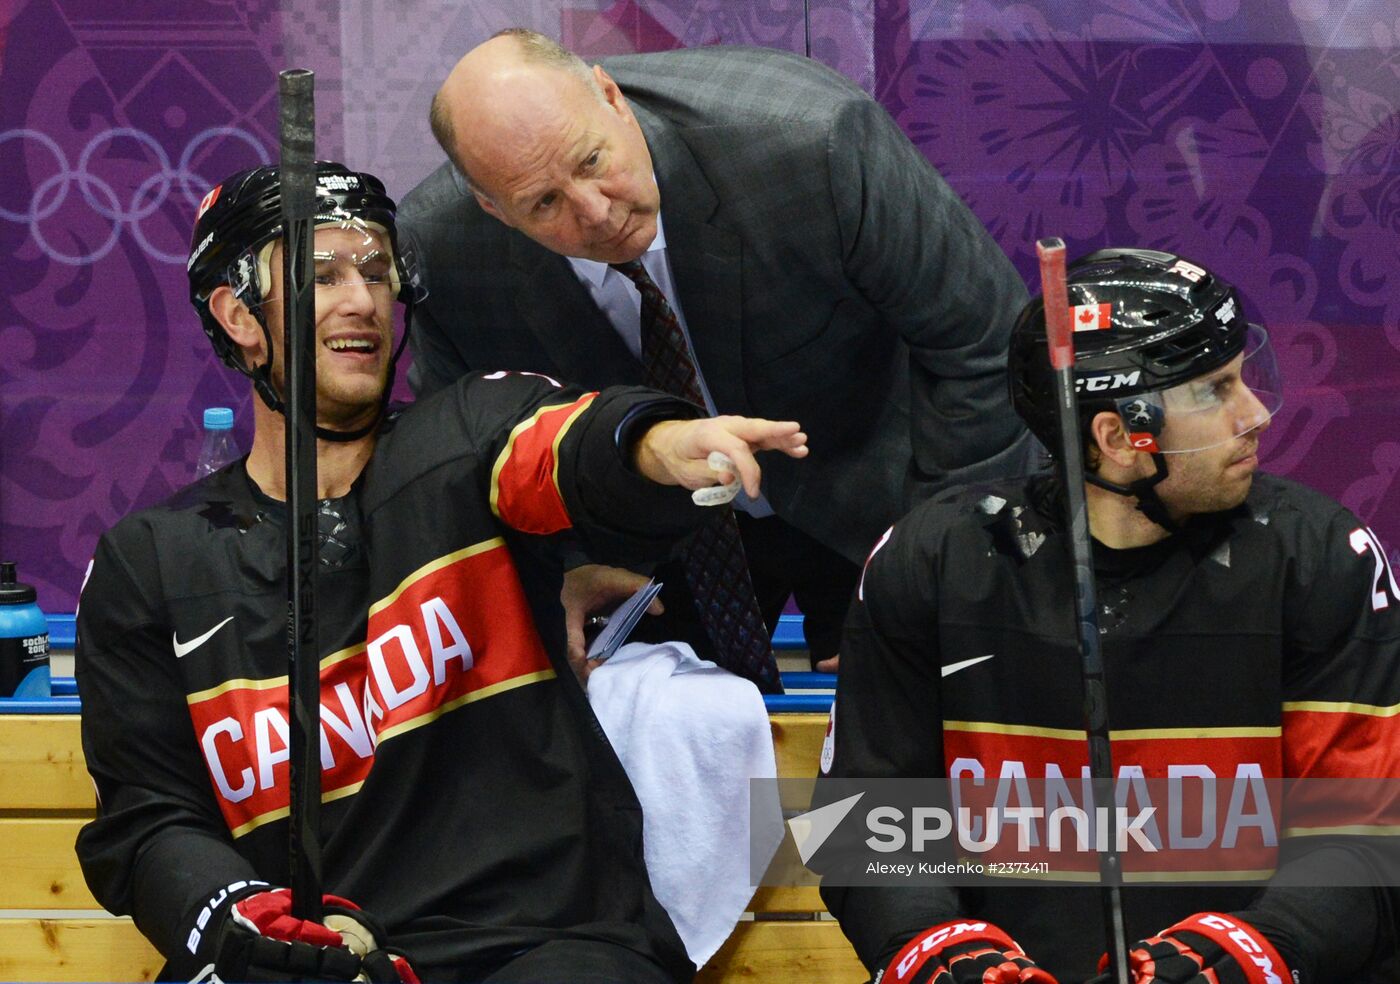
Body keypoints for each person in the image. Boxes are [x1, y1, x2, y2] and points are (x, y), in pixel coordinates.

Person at [73, 161, 808, 983]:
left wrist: (656, 444)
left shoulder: (466, 437)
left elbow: (563, 446)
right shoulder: (152, 560)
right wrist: (236, 917)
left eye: (377, 271)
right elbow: (145, 822)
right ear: (239, 315)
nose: (362, 299)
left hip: (540, 947)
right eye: (321, 275)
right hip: (309, 961)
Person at [818, 248, 1399, 982]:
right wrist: (940, 953)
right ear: (1121, 438)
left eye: (1245, 379)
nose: (1255, 415)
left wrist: (1256, 951)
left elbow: (1374, 835)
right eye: (1216, 391)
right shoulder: (929, 563)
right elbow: (866, 822)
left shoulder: (1323, 558)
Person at [400, 30, 1035, 675]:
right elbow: (468, 456)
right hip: (647, 552)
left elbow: (986, 349)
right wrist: (552, 575)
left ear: (612, 98)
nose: (594, 213)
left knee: (887, 763)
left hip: (872, 486)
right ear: (491, 209)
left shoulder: (809, 141)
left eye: (591, 162)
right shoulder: (446, 252)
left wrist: (935, 568)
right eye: (543, 203)